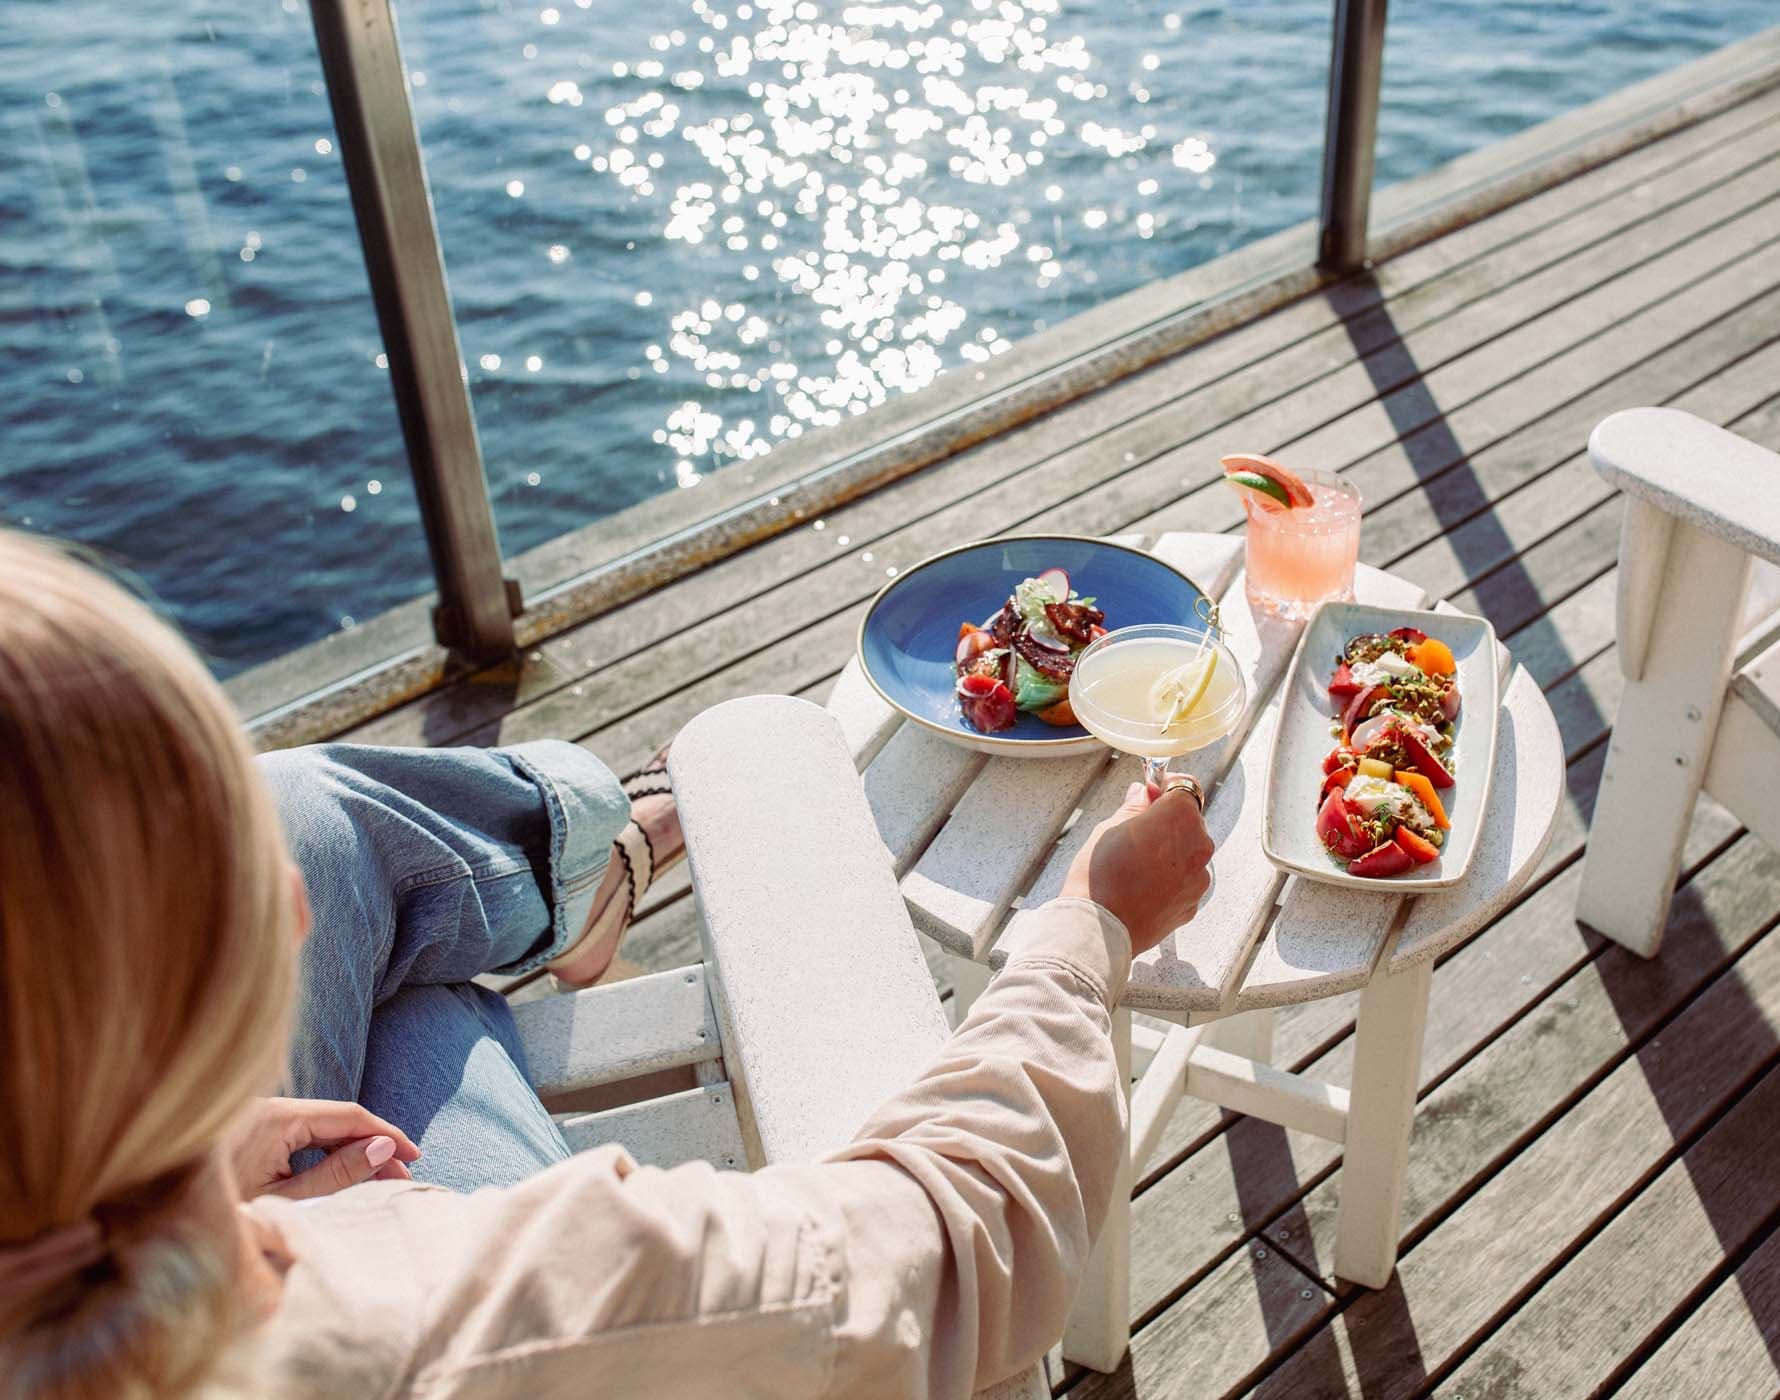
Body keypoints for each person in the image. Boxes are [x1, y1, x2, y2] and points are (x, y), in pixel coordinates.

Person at [0, 530, 1216, 1399]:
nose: (293, 907)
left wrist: (170, 1172)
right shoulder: (462, 1316)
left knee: (315, 825)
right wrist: (1090, 923)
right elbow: (952, 1246)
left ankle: (576, 866)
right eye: (210, 888)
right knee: (413, 967)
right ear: (103, 1028)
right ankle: (590, 851)